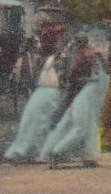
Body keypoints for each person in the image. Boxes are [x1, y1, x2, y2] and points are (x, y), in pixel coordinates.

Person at [40, 37, 107, 167]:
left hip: (83, 99)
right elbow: (75, 83)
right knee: (81, 128)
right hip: (82, 100)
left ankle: (89, 157)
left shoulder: (90, 67)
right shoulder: (82, 67)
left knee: (89, 128)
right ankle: (57, 152)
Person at [3, 48, 64, 163]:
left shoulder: (52, 60)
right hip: (43, 91)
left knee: (39, 122)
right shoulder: (35, 60)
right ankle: (32, 151)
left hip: (49, 91)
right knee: (33, 121)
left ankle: (40, 152)